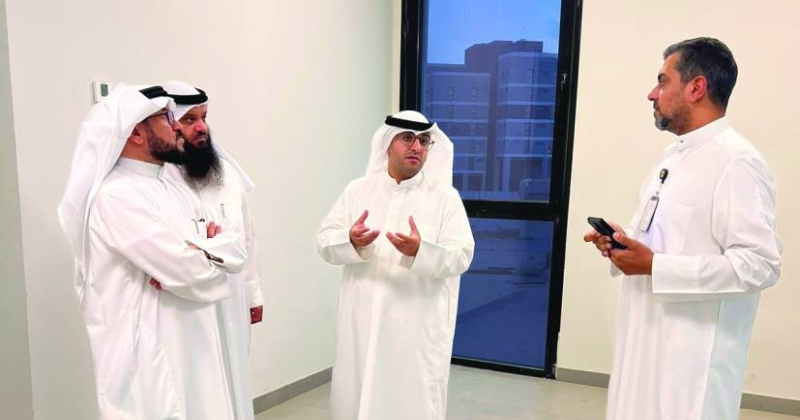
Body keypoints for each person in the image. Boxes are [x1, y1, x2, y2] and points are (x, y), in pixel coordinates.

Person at [584, 37, 783, 420]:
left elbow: (760, 264)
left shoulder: (736, 162)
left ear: (696, 88)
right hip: (645, 344)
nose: (652, 93)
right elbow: (664, 241)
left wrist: (655, 266)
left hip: (691, 364)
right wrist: (623, 244)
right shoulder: (672, 156)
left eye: (662, 81)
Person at [58, 84, 247, 420]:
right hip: (151, 354)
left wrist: (195, 258)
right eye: (166, 118)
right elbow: (188, 269)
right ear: (135, 133)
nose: (177, 126)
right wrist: (203, 259)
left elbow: (233, 248)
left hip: (196, 339)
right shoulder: (117, 196)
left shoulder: (175, 188)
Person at [316, 110, 475, 420]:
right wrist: (350, 241)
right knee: (357, 393)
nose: (416, 147)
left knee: (408, 402)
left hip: (414, 327)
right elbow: (324, 241)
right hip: (361, 320)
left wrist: (420, 252)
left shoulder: (445, 198)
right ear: (388, 143)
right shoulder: (358, 190)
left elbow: (462, 255)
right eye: (407, 138)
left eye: (424, 141)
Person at [162, 80, 263, 420]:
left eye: (204, 118)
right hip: (188, 302)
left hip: (232, 297)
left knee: (235, 377)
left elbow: (247, 236)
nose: (201, 128)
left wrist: (253, 293)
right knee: (198, 388)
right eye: (189, 119)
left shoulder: (226, 174)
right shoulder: (161, 179)